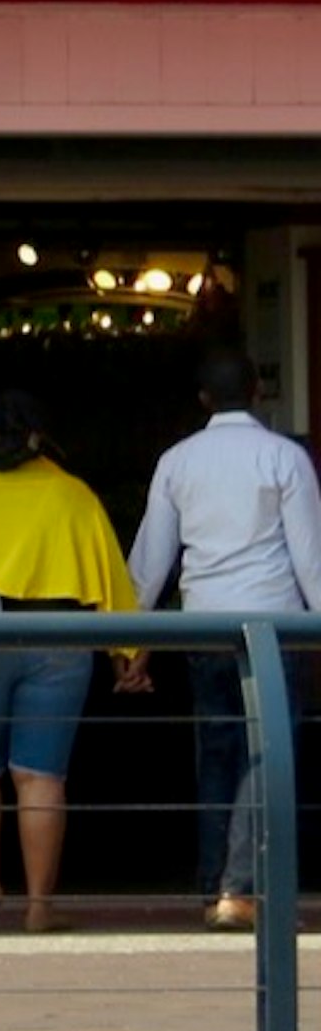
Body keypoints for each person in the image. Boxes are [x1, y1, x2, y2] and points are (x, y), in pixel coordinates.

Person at [0, 390, 149, 930]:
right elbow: (109, 583)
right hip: (59, 641)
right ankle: (40, 904)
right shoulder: (72, 495)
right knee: (39, 775)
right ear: (39, 437)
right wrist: (128, 653)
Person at [125, 345, 321, 930]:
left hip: (203, 625)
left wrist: (129, 643)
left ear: (204, 399)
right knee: (267, 752)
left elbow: (150, 560)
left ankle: (214, 884)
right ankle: (241, 886)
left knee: (216, 752)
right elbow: (310, 556)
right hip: (273, 626)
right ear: (257, 391)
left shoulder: (177, 461)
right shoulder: (284, 457)